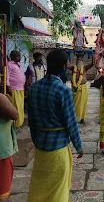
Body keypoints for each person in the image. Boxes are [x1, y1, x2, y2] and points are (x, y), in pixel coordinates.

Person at [27, 49, 83, 202]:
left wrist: (36, 140)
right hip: (58, 148)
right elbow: (71, 123)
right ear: (64, 66)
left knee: (39, 185)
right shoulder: (63, 90)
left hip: (41, 146)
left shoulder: (33, 88)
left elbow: (31, 121)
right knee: (57, 189)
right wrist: (79, 146)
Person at [0, 93, 18, 202]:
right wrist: (8, 101)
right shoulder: (1, 98)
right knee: (3, 192)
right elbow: (14, 115)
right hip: (2, 150)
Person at [68, 54, 94, 123]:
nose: (78, 61)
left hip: (83, 88)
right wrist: (66, 55)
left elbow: (92, 64)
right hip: (75, 88)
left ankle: (82, 118)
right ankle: (74, 117)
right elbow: (67, 65)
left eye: (80, 60)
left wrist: (93, 55)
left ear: (82, 61)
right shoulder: (73, 68)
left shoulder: (85, 67)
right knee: (74, 103)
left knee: (82, 103)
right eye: (77, 60)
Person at [6, 51, 26, 128]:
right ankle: (14, 124)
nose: (19, 57)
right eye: (18, 56)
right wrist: (8, 87)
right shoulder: (9, 64)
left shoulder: (18, 65)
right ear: (13, 57)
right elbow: (7, 76)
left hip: (20, 89)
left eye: (19, 56)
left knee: (20, 106)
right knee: (15, 106)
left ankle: (19, 122)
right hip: (14, 89)